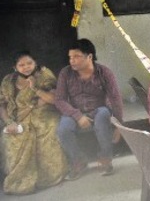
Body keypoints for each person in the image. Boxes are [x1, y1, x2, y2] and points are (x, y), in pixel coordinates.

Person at [0, 51, 68, 194]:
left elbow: (53, 99)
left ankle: (47, 179)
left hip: (44, 115)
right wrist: (8, 122)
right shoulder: (8, 81)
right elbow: (2, 105)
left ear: (35, 63)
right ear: (15, 67)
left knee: (45, 132)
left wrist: (34, 88)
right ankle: (21, 183)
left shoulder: (44, 75)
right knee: (11, 138)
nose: (26, 67)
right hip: (17, 118)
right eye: (22, 65)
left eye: (29, 63)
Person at [55, 39, 123, 180]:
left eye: (76, 56)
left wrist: (119, 125)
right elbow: (59, 99)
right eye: (70, 57)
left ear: (89, 57)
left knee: (103, 115)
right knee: (63, 129)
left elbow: (115, 98)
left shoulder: (104, 72)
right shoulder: (65, 73)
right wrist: (77, 115)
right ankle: (78, 161)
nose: (72, 61)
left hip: (98, 110)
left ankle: (105, 158)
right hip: (75, 112)